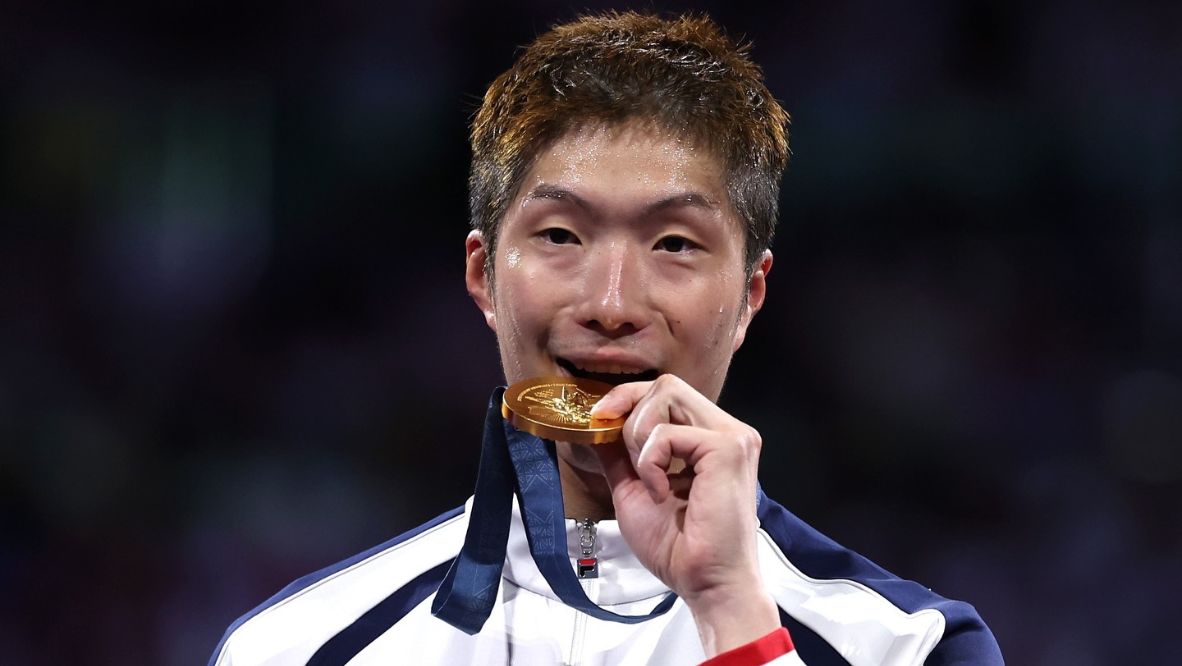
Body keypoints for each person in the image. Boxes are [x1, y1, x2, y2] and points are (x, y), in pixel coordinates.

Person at [209, 11, 1003, 665]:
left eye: (675, 245)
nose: (613, 304)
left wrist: (733, 611)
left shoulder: (911, 648)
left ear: (750, 296)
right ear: (483, 275)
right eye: (560, 235)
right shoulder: (294, 650)